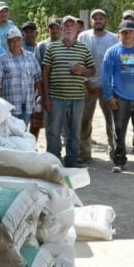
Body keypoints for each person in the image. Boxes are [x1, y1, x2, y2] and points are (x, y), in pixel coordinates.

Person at [101, 20, 134, 173]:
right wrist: (109, 97)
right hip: (120, 98)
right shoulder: (112, 52)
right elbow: (106, 77)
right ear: (119, 34)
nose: (127, 34)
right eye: (124, 32)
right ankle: (119, 161)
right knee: (119, 130)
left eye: (130, 31)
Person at [42, 15, 94, 167]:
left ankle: (71, 160)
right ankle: (54, 160)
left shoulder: (83, 48)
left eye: (72, 26)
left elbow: (92, 70)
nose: (69, 28)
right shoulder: (52, 47)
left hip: (77, 98)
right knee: (54, 131)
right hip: (56, 97)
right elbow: (45, 72)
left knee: (74, 132)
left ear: (77, 28)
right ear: (62, 28)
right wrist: (46, 97)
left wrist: (82, 69)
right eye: (66, 26)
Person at [77, 9, 119, 163]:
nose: (98, 20)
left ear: (105, 20)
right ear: (91, 21)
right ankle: (85, 153)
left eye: (101, 18)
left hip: (108, 86)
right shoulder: (83, 36)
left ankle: (114, 152)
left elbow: (116, 64)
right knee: (84, 120)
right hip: (87, 84)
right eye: (95, 18)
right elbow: (79, 60)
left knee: (112, 121)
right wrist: (86, 82)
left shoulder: (113, 38)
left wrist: (109, 85)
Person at [0, 27, 41, 125]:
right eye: (12, 41)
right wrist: (0, 105)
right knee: (11, 134)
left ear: (22, 40)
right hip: (10, 105)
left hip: (28, 104)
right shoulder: (1, 60)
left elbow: (37, 78)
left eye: (18, 40)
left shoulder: (31, 57)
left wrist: (41, 99)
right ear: (8, 42)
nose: (15, 43)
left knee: (23, 133)